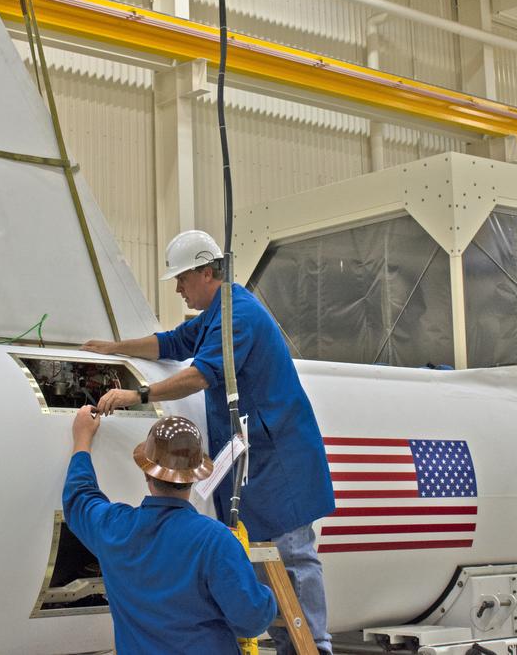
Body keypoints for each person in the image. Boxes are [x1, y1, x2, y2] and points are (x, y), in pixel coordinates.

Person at [83, 229, 336, 654]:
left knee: (292, 557)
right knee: (266, 561)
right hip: (254, 462)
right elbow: (171, 343)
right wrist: (115, 348)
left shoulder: (238, 315)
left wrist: (137, 395)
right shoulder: (216, 314)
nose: (178, 289)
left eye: (182, 278)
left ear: (206, 271)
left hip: (281, 462)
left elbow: (201, 374)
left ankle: (316, 646)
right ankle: (289, 645)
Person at [63, 408, 276, 653]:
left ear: (147, 472)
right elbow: (253, 619)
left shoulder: (114, 528)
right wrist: (264, 595)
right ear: (194, 476)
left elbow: (78, 499)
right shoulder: (215, 540)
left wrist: (82, 440)